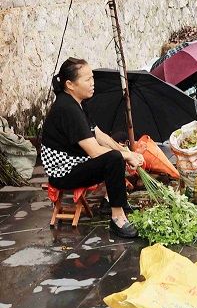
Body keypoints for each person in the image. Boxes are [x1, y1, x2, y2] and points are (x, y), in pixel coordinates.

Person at [41, 58, 143, 239]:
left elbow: (97, 133)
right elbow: (94, 151)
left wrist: (127, 152)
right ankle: (117, 218)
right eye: (87, 80)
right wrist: (126, 157)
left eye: (92, 78)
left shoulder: (79, 102)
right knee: (113, 159)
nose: (92, 83)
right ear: (70, 84)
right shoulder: (67, 108)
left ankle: (111, 201)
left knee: (118, 142)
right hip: (64, 173)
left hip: (77, 161)